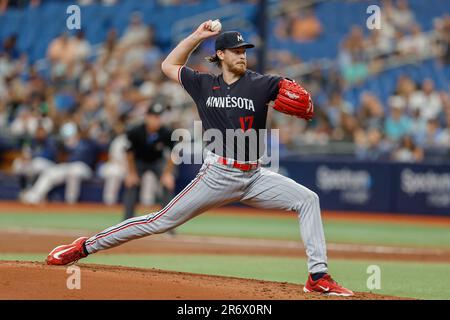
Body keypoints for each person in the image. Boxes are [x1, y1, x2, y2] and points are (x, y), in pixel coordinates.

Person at [45, 21, 354, 296]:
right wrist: (196, 35)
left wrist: (306, 104)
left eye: (244, 49)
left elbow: (302, 101)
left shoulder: (262, 84)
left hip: (255, 177)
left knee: (308, 199)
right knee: (159, 221)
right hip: (217, 174)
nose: (242, 54)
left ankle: (318, 277)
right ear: (220, 55)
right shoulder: (203, 83)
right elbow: (168, 64)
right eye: (235, 50)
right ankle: (84, 246)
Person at [122, 102, 176, 221]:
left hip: (157, 161)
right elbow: (129, 152)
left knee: (167, 185)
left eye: (159, 117)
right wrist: (131, 173)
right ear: (147, 117)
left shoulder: (166, 132)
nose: (157, 120)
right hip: (139, 162)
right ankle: (126, 221)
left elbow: (175, 153)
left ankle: (168, 223)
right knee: (131, 184)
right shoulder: (135, 131)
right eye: (154, 116)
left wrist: (167, 174)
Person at [20, 126, 98, 204]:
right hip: (69, 166)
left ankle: (71, 202)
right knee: (50, 172)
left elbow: (86, 154)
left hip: (84, 168)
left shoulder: (88, 143)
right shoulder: (67, 144)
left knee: (74, 172)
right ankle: (34, 196)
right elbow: (62, 153)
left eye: (75, 134)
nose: (73, 136)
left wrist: (72, 146)